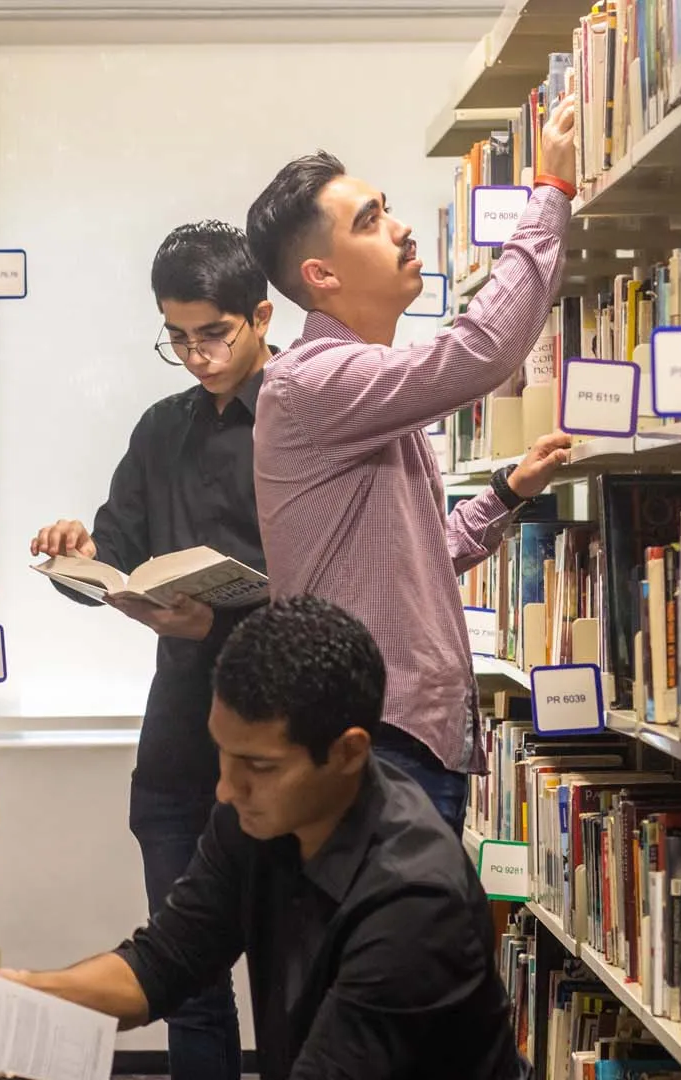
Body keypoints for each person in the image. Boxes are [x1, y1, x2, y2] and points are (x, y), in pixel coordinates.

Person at [0, 595, 526, 1080]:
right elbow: (162, 964)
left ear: (347, 753)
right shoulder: (259, 817)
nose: (226, 789)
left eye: (259, 765)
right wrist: (20, 997)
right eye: (223, 753)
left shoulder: (417, 903)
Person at [241, 96, 581, 831]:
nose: (399, 228)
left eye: (387, 209)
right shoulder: (312, 381)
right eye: (369, 221)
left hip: (404, 738)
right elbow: (480, 352)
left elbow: (412, 563)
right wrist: (551, 192)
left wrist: (505, 493)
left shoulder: (360, 393)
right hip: (378, 741)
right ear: (321, 274)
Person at [27, 220, 272, 1080]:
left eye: (214, 334)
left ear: (261, 316)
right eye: (178, 338)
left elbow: (335, 588)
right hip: (177, 746)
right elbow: (117, 555)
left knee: (292, 977)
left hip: (282, 745)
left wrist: (221, 626)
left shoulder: (306, 420)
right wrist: (75, 556)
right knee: (187, 985)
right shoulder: (160, 429)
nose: (197, 356)